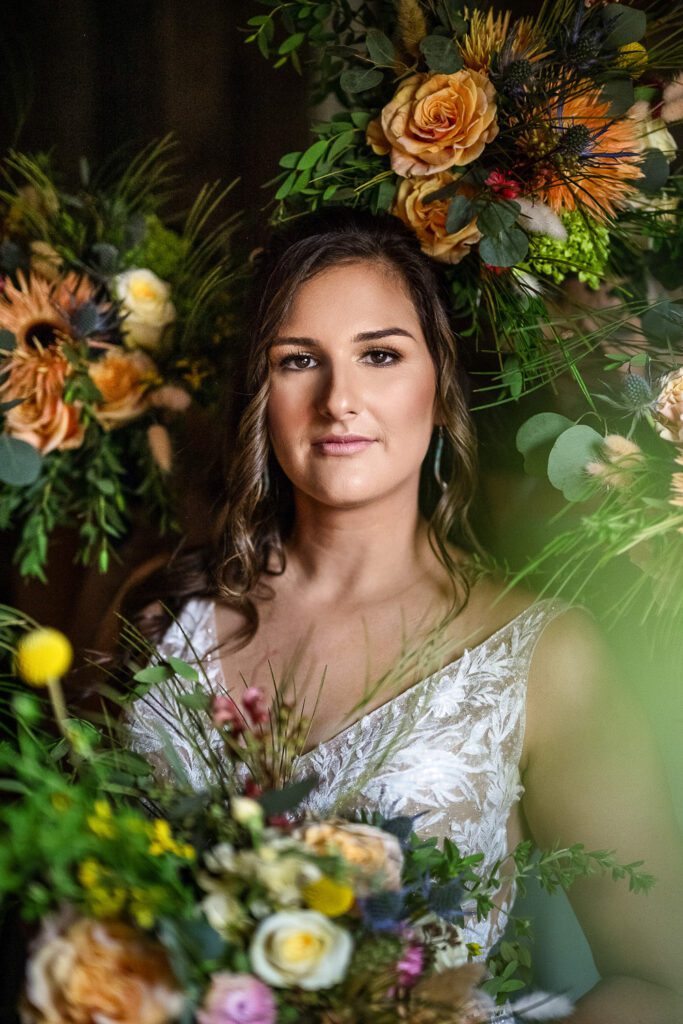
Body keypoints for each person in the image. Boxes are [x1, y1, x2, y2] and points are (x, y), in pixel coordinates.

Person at [126, 208, 683, 1022]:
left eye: (379, 354)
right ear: (262, 391)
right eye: (297, 361)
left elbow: (662, 983)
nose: (338, 400)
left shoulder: (544, 656)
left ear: (439, 380)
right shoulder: (156, 619)